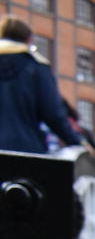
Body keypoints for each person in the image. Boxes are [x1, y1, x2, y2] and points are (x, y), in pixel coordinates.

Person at [0, 16, 82, 154]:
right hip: (25, 150)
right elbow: (53, 114)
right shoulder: (36, 67)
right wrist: (76, 142)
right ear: (28, 39)